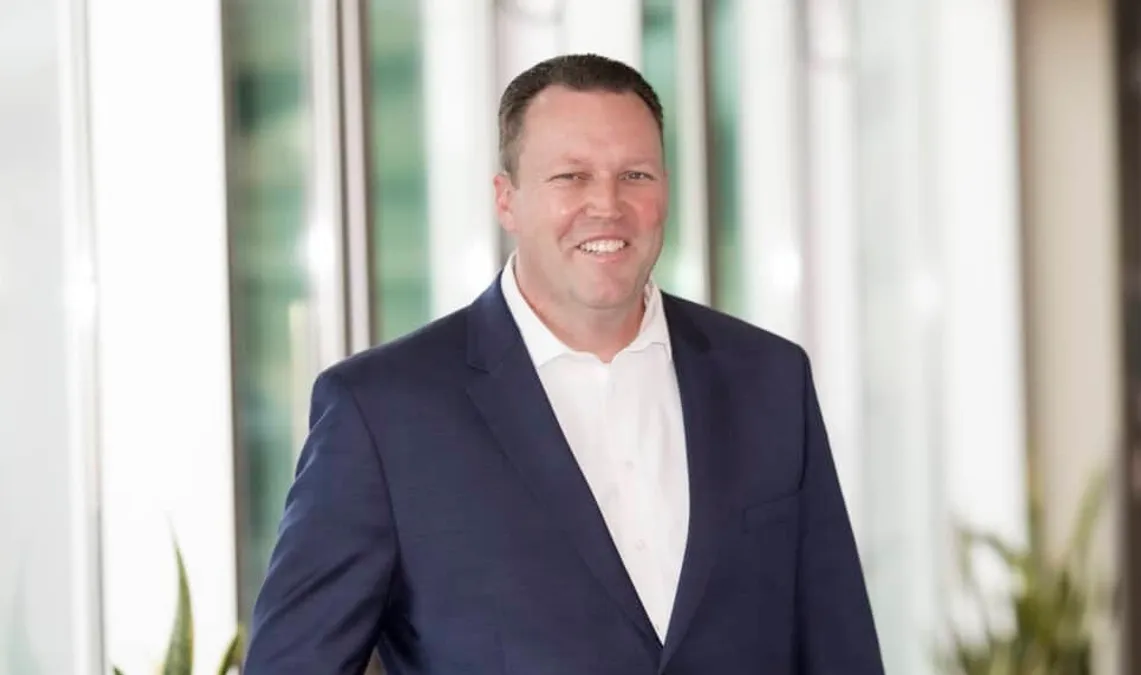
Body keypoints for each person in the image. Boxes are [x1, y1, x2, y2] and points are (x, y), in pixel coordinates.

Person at [243, 53, 884, 674]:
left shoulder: (769, 379)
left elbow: (839, 648)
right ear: (506, 199)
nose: (606, 204)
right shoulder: (383, 412)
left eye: (635, 174)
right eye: (570, 176)